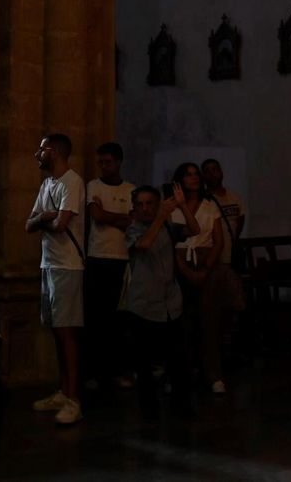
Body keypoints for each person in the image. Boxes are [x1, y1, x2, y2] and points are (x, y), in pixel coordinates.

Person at [25, 133, 86, 425]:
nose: (37, 154)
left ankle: (74, 399)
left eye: (41, 149)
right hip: (49, 263)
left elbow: (62, 225)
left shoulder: (72, 182)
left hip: (67, 266)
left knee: (66, 332)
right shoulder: (47, 185)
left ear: (53, 151)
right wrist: (46, 216)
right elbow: (29, 224)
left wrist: (45, 219)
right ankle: (63, 391)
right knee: (55, 331)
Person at [124, 185, 188, 420]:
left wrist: (181, 206)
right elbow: (143, 244)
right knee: (145, 362)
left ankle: (181, 406)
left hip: (170, 303)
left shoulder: (168, 227)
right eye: (140, 204)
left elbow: (195, 229)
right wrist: (161, 216)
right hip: (144, 306)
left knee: (177, 359)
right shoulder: (133, 229)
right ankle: (148, 410)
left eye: (149, 203)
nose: (145, 208)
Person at [167, 162, 231, 395]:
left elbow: (218, 240)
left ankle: (212, 373)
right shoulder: (172, 206)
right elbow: (170, 242)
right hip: (180, 259)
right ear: (179, 180)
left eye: (196, 174)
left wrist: (204, 269)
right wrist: (185, 269)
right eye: (188, 175)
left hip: (205, 260)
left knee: (209, 320)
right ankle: (182, 372)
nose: (193, 178)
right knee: (180, 321)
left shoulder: (209, 203)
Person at [84, 141, 134, 389]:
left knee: (118, 318)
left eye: (108, 162)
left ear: (118, 162)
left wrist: (109, 216)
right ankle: (94, 371)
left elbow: (132, 223)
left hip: (121, 259)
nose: (104, 167)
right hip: (97, 257)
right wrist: (120, 218)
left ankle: (115, 370)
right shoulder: (93, 185)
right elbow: (97, 216)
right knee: (96, 318)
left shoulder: (131, 190)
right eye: (101, 162)